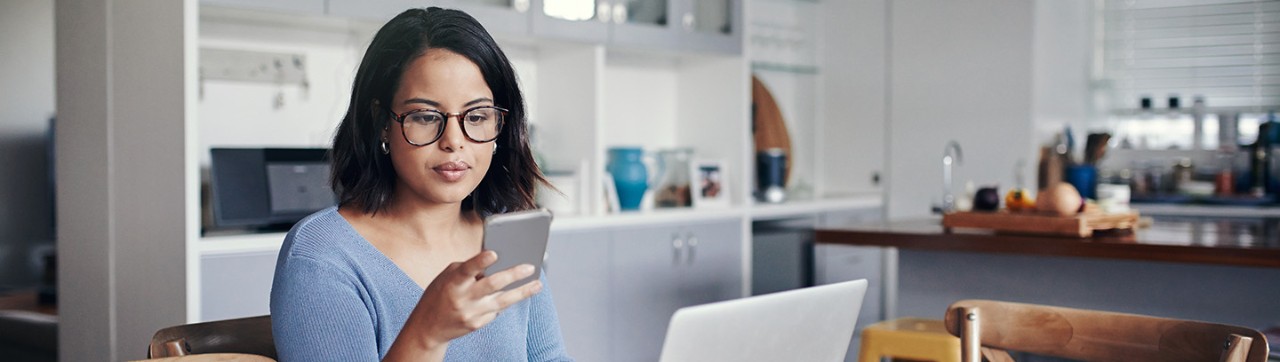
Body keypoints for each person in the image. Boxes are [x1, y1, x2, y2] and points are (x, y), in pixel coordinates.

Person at [270, 7, 572, 361]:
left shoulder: (505, 237)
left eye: (476, 116)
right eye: (426, 117)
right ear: (382, 122)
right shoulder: (322, 256)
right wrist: (427, 334)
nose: (454, 141)